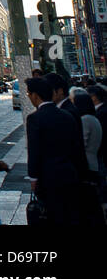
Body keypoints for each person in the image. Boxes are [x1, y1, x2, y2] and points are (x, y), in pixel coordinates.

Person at [26, 76, 91, 225]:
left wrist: (33, 178)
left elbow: (34, 150)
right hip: (70, 174)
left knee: (51, 216)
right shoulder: (68, 115)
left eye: (29, 94)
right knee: (69, 216)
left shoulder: (35, 119)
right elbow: (77, 147)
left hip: (47, 177)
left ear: (35, 95)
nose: (29, 97)